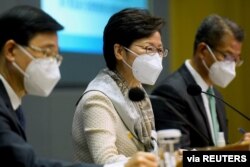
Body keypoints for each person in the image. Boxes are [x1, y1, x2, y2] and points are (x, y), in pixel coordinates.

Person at [0, 5, 158, 167]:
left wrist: (177, 158)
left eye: (56, 55)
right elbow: (26, 163)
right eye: (46, 53)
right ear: (11, 50)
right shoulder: (97, 98)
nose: (53, 64)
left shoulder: (13, 104)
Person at [72, 8, 167, 165]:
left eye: (160, 50)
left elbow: (148, 152)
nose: (156, 57)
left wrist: (169, 156)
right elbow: (106, 161)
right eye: (149, 49)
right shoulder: (97, 99)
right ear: (120, 51)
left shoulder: (138, 94)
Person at [151, 14, 250, 149]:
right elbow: (179, 157)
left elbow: (218, 148)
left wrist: (238, 148)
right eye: (227, 56)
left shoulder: (216, 95)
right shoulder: (170, 93)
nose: (232, 65)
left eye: (236, 59)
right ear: (203, 50)